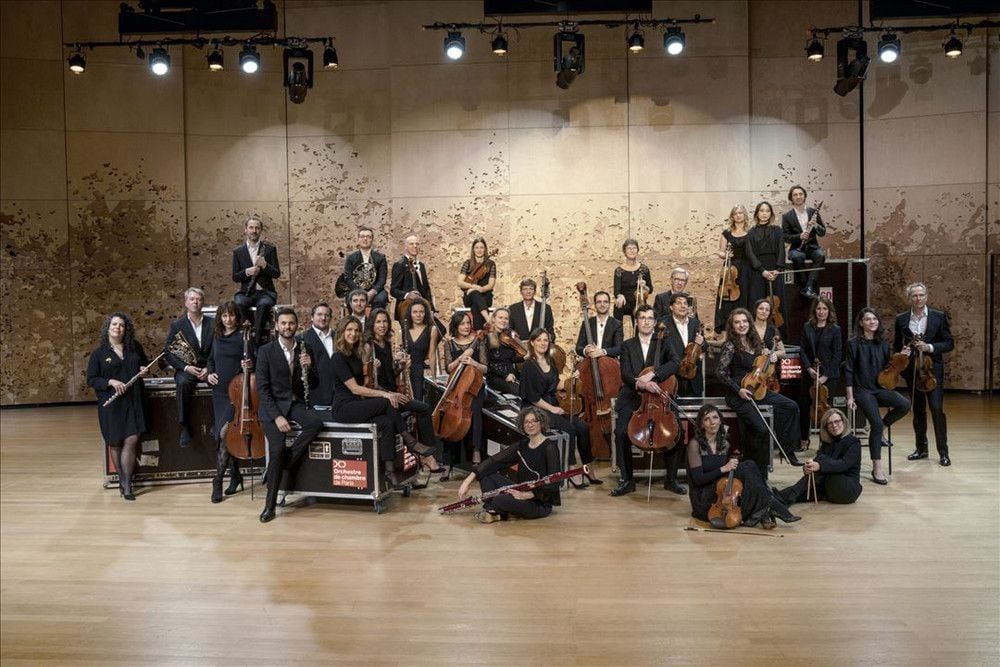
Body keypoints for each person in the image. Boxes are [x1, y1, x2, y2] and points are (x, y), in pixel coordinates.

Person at [329, 316, 425, 490]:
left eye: (357, 330)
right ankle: (410, 441)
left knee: (387, 423)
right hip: (344, 407)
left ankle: (389, 472)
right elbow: (355, 389)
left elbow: (366, 381)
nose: (353, 334)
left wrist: (375, 368)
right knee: (387, 401)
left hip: (358, 405)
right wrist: (385, 394)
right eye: (349, 330)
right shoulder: (337, 357)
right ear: (342, 333)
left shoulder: (356, 355)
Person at [716, 308, 802, 478]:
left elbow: (763, 369)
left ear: (749, 323)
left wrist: (772, 360)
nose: (742, 325)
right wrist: (738, 389)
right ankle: (757, 473)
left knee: (791, 407)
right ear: (732, 326)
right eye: (737, 322)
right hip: (738, 394)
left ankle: (788, 450)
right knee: (761, 430)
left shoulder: (756, 343)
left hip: (759, 390)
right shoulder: (730, 345)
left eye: (745, 321)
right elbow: (720, 372)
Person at [256, 308, 323, 523]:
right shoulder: (265, 351)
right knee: (276, 450)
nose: (287, 327)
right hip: (272, 409)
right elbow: (262, 389)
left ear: (297, 325)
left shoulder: (305, 348)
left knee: (315, 423)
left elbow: (314, 384)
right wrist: (277, 417)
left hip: (294, 403)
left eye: (291, 323)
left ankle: (286, 461)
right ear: (277, 326)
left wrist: (309, 368)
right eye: (283, 323)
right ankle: (269, 505)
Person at [686, 404, 799, 529]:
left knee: (749, 465)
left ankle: (763, 511)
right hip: (705, 499)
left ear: (720, 421)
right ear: (701, 424)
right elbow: (697, 480)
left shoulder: (724, 444)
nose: (712, 422)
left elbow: (726, 476)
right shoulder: (694, 445)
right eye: (707, 419)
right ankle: (770, 506)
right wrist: (723, 469)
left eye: (715, 418)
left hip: (721, 492)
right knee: (746, 467)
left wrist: (730, 467)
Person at [610, 305, 682, 497]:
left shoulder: (664, 341)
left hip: (659, 394)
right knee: (621, 432)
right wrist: (641, 384)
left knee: (676, 432)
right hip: (633, 396)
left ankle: (671, 480)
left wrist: (654, 375)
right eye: (642, 318)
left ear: (655, 322)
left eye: (650, 318)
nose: (646, 321)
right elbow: (625, 373)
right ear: (636, 322)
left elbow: (675, 363)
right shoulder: (627, 345)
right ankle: (627, 480)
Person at [520, 327, 601, 487]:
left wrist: (571, 379)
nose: (543, 343)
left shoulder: (550, 361)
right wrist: (552, 409)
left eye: (546, 340)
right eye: (539, 340)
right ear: (532, 342)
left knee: (583, 427)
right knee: (569, 429)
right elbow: (532, 397)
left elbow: (555, 384)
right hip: (535, 408)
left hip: (551, 404)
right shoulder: (529, 365)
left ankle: (588, 468)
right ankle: (570, 470)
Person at [366, 308, 443, 471]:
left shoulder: (386, 344)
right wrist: (389, 394)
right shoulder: (369, 346)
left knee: (424, 408)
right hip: (380, 397)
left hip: (392, 393)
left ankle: (427, 455)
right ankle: (423, 455)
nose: (382, 325)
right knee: (416, 409)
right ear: (372, 324)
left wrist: (400, 367)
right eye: (378, 322)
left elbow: (390, 374)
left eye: (385, 321)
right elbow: (368, 383)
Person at [457, 407, 562, 523]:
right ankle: (495, 511)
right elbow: (495, 461)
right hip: (520, 490)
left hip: (538, 502)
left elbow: (555, 482)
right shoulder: (522, 445)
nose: (530, 425)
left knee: (501, 499)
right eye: (526, 422)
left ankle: (494, 509)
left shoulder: (550, 447)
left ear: (541, 423)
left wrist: (528, 495)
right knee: (486, 475)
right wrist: (467, 481)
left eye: (534, 421)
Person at [87, 312, 150, 502]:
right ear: (108, 327)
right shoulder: (99, 354)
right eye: (114, 324)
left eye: (121, 325)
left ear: (126, 329)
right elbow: (92, 379)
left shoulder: (134, 348)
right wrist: (110, 381)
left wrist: (143, 369)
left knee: (131, 439)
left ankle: (127, 482)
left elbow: (144, 364)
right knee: (115, 442)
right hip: (111, 404)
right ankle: (122, 480)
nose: (117, 328)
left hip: (134, 401)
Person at [845, 308, 911, 485]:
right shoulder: (853, 343)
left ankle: (882, 428)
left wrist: (901, 358)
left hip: (879, 388)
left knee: (904, 404)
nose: (872, 322)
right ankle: (877, 468)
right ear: (861, 323)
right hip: (862, 391)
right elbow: (849, 371)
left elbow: (888, 367)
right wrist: (850, 397)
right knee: (875, 422)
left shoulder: (883, 343)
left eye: (875, 319)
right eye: (868, 319)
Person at [894, 283, 954, 466]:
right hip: (913, 372)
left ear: (926, 297)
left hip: (932, 372)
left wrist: (929, 347)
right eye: (914, 296)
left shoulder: (938, 316)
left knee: (936, 409)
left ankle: (943, 452)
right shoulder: (901, 319)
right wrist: (902, 352)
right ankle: (921, 449)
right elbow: (896, 346)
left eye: (921, 295)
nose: (918, 298)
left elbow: (949, 343)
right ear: (909, 298)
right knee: (918, 411)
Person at [205, 301, 251, 503]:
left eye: (232, 315)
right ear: (220, 318)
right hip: (219, 392)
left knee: (224, 434)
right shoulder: (215, 336)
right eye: (224, 316)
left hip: (236, 391)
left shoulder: (244, 336)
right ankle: (236, 476)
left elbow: (255, 360)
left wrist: (248, 363)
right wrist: (210, 373)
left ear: (237, 316)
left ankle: (217, 481)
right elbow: (210, 359)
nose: (228, 319)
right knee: (225, 435)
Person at [776, 408, 862, 506]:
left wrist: (819, 466)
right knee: (802, 493)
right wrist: (808, 467)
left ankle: (783, 496)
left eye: (837, 421)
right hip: (829, 487)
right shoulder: (827, 443)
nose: (834, 425)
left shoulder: (853, 442)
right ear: (826, 427)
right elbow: (818, 461)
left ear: (843, 422)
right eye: (830, 423)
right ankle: (777, 498)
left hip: (847, 489)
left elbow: (843, 464)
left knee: (823, 465)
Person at [164, 287, 214, 447]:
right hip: (188, 368)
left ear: (203, 302)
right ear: (186, 302)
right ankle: (184, 425)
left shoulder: (213, 323)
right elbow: (168, 353)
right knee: (183, 383)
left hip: (208, 367)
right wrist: (185, 368)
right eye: (192, 299)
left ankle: (217, 424)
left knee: (220, 383)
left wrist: (209, 368)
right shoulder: (177, 325)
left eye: (198, 299)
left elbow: (218, 348)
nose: (195, 302)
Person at [441, 311, 489, 469]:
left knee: (476, 411)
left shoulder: (478, 341)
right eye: (462, 323)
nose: (466, 326)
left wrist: (473, 362)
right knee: (449, 417)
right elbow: (448, 368)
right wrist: (460, 359)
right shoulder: (449, 343)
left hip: (475, 388)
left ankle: (476, 450)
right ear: (455, 326)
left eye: (468, 323)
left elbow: (485, 368)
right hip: (456, 389)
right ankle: (448, 461)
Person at [798, 296, 842, 450]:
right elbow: (802, 349)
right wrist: (809, 368)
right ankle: (804, 438)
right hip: (810, 373)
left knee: (826, 409)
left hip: (829, 375)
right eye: (818, 308)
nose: (821, 312)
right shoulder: (807, 326)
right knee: (805, 406)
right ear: (814, 310)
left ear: (829, 311)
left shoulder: (835, 329)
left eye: (824, 309)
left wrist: (825, 376)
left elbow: (838, 354)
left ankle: (826, 441)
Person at [232, 214, 281, 347]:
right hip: (246, 293)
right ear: (245, 230)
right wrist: (248, 272)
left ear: (261, 230)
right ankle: (246, 331)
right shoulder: (238, 252)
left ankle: (256, 342)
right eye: (251, 227)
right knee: (238, 302)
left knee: (264, 304)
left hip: (265, 293)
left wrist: (265, 265)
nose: (254, 231)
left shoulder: (270, 250)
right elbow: (235, 277)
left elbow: (277, 274)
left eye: (257, 228)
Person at [746, 201, 788, 338]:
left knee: (777, 305)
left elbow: (781, 250)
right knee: (757, 303)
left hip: (775, 270)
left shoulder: (777, 230)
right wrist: (762, 270)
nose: (764, 213)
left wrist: (778, 269)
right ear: (757, 214)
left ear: (771, 214)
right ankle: (757, 337)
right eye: (762, 211)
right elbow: (750, 253)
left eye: (767, 211)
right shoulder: (751, 233)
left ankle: (778, 338)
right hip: (758, 272)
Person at [780, 185, 826, 299]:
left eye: (800, 194)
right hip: (797, 247)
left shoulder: (813, 212)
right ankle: (804, 285)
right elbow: (785, 236)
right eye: (795, 195)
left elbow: (823, 232)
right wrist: (799, 236)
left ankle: (809, 287)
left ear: (804, 196)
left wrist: (815, 225)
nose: (798, 196)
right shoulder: (787, 216)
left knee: (820, 255)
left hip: (812, 247)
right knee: (797, 257)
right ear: (791, 198)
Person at [714, 204, 754, 333]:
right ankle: (727, 328)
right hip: (730, 269)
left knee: (744, 297)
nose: (738, 215)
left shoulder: (751, 233)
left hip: (746, 270)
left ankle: (744, 327)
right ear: (732, 216)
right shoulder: (726, 233)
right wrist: (726, 254)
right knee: (726, 299)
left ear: (745, 215)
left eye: (741, 213)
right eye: (735, 213)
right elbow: (720, 251)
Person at [663, 292, 706, 398]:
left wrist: (702, 343)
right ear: (671, 307)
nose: (683, 306)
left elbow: (704, 347)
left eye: (685, 303)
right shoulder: (663, 324)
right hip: (673, 378)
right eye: (678, 303)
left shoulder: (695, 323)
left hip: (693, 377)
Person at [402, 298, 440, 403]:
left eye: (421, 312)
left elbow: (432, 355)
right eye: (415, 312)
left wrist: (434, 378)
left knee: (418, 400)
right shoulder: (405, 328)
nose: (418, 315)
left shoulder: (432, 329)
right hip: (405, 370)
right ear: (410, 314)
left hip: (419, 370)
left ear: (425, 313)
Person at [300, 302, 337, 411]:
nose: (323, 318)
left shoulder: (339, 337)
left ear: (330, 318)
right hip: (317, 396)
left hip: (339, 395)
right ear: (312, 317)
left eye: (326, 315)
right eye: (319, 314)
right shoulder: (301, 339)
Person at [390, 235, 435, 323]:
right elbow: (393, 290)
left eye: (417, 244)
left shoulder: (421, 266)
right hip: (406, 309)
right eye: (411, 244)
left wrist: (431, 307)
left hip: (423, 309)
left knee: (440, 329)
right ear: (406, 247)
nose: (415, 246)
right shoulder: (400, 264)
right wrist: (407, 295)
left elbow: (426, 289)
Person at [613, 239, 653, 334]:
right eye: (629, 248)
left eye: (634, 248)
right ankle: (617, 339)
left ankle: (638, 341)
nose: (632, 250)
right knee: (618, 306)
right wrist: (620, 296)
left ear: (637, 250)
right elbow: (616, 291)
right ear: (624, 252)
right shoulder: (619, 270)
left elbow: (650, 289)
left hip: (638, 301)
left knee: (641, 312)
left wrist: (645, 286)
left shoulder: (644, 269)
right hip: (624, 302)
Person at [343, 226, 389, 309]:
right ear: (358, 239)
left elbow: (382, 279)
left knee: (381, 299)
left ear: (372, 240)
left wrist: (373, 292)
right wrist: (359, 292)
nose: (365, 239)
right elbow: (348, 278)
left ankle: (373, 321)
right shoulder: (350, 257)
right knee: (351, 299)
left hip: (375, 291)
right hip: (355, 290)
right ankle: (355, 321)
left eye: (368, 237)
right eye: (362, 236)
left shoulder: (380, 257)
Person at [456, 237, 496, 330]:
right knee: (474, 293)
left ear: (485, 249)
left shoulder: (491, 264)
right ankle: (488, 319)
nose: (479, 250)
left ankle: (478, 333)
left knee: (475, 306)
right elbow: (460, 282)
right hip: (469, 297)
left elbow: (491, 284)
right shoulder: (468, 263)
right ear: (473, 250)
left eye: (481, 247)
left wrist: (481, 289)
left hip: (486, 297)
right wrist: (473, 286)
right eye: (476, 247)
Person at [486, 307, 524, 396]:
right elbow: (488, 363)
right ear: (493, 319)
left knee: (533, 386)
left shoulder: (508, 337)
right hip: (496, 377)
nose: (503, 320)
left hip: (511, 374)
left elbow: (512, 359)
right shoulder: (488, 337)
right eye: (500, 317)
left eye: (506, 318)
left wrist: (524, 357)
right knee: (521, 391)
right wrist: (505, 375)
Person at [575, 290, 623, 360]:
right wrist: (586, 350)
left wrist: (602, 351)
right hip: (590, 362)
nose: (602, 305)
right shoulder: (587, 323)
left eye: (605, 302)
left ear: (609, 304)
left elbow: (619, 348)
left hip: (609, 364)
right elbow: (578, 347)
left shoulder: (616, 324)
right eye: (599, 302)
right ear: (595, 304)